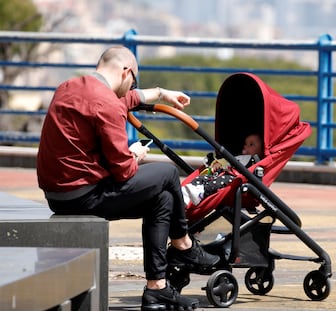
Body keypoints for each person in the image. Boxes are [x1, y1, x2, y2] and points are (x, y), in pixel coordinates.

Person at [36, 45, 219, 311]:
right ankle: (184, 245)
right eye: (134, 80)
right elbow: (124, 172)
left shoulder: (70, 87)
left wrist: (161, 94)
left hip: (58, 194)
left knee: (163, 199)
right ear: (126, 72)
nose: (133, 86)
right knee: (167, 173)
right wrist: (134, 155)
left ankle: (157, 289)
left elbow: (126, 98)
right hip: (83, 196)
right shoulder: (106, 103)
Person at [182, 134, 263, 205]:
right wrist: (218, 164)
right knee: (202, 177)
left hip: (235, 181)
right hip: (221, 174)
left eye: (251, 144)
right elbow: (228, 162)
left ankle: (200, 193)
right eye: (246, 144)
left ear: (262, 149)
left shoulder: (256, 162)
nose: (246, 146)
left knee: (220, 181)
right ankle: (188, 190)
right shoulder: (241, 158)